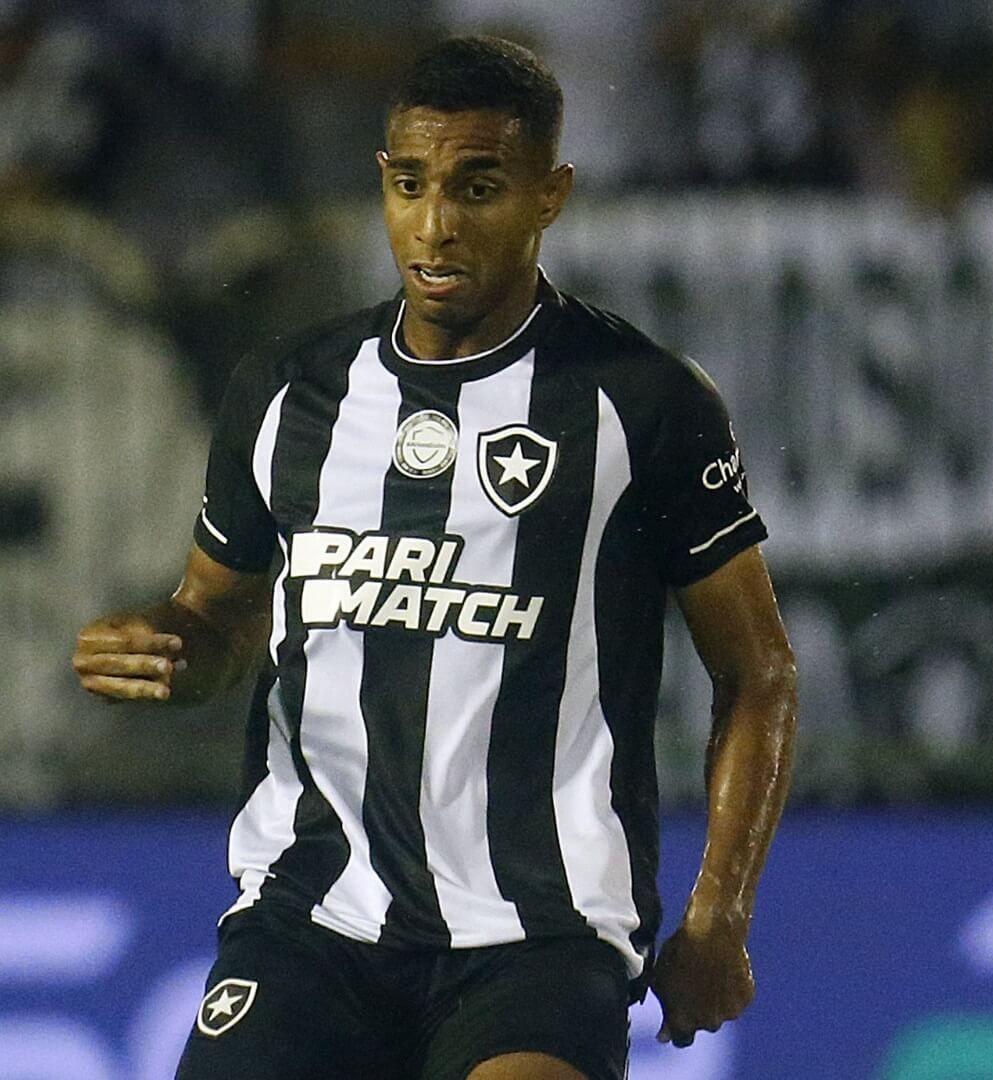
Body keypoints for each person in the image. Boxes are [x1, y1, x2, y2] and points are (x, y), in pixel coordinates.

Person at [70, 35, 798, 1080]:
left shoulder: (640, 402)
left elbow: (757, 669)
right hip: (310, 917)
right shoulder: (288, 392)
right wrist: (171, 648)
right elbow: (222, 615)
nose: (437, 223)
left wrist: (718, 919)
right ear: (382, 185)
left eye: (479, 186)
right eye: (411, 185)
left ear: (551, 195)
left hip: (540, 934)